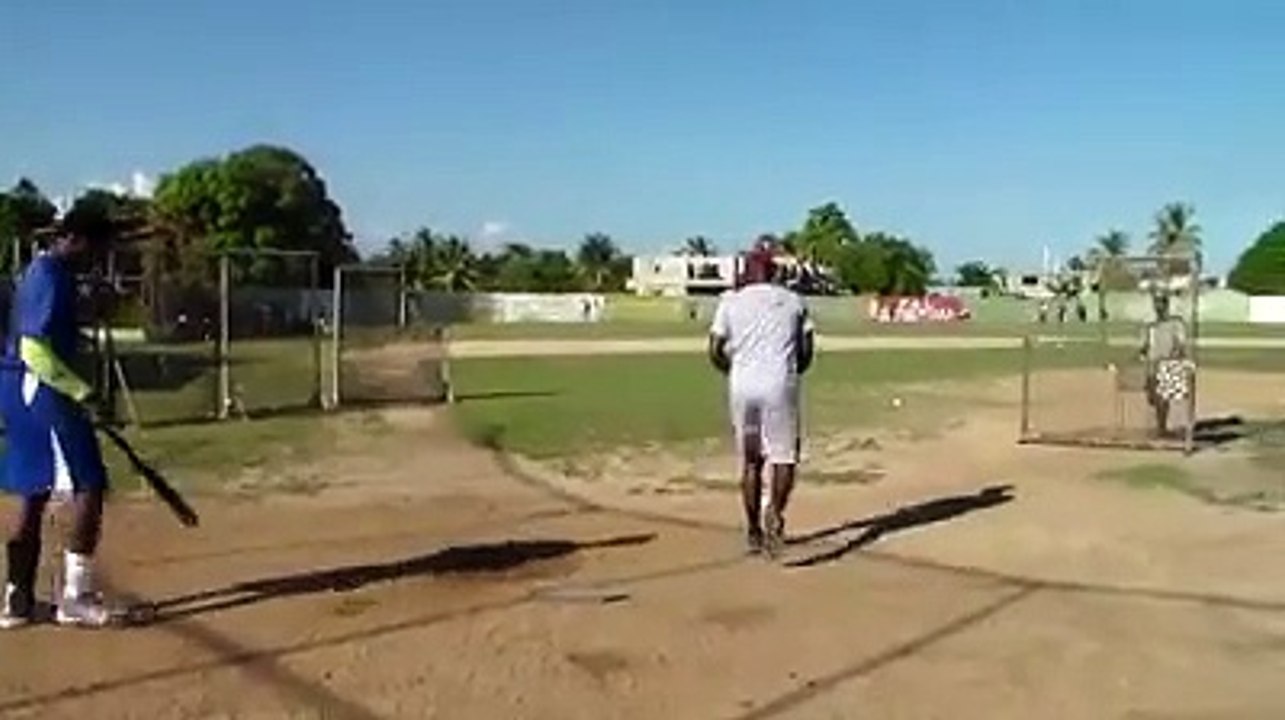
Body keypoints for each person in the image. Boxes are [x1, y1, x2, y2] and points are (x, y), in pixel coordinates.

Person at [0, 219, 115, 628]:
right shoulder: (51, 275)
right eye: (94, 248)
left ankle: (18, 599)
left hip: (16, 387)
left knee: (35, 486)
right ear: (73, 239)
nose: (95, 259)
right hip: (41, 386)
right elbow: (36, 349)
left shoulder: (35, 271)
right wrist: (83, 392)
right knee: (89, 483)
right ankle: (76, 597)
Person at [708, 245, 815, 558]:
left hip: (742, 384)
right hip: (779, 382)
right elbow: (806, 349)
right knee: (783, 457)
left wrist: (732, 370)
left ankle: (753, 530)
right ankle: (776, 512)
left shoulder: (730, 302)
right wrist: (793, 373)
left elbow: (715, 348)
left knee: (751, 461)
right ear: (773, 272)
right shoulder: (793, 301)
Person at [1140, 290, 1189, 438]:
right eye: (1156, 302)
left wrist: (1176, 357)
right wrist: (1143, 351)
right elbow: (1145, 345)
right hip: (1152, 364)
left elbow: (1181, 344)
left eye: (1161, 302)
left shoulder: (1175, 323)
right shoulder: (1150, 324)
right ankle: (1161, 425)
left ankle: (1161, 428)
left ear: (1166, 304)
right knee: (1152, 398)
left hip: (1167, 363)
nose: (1158, 305)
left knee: (1164, 398)